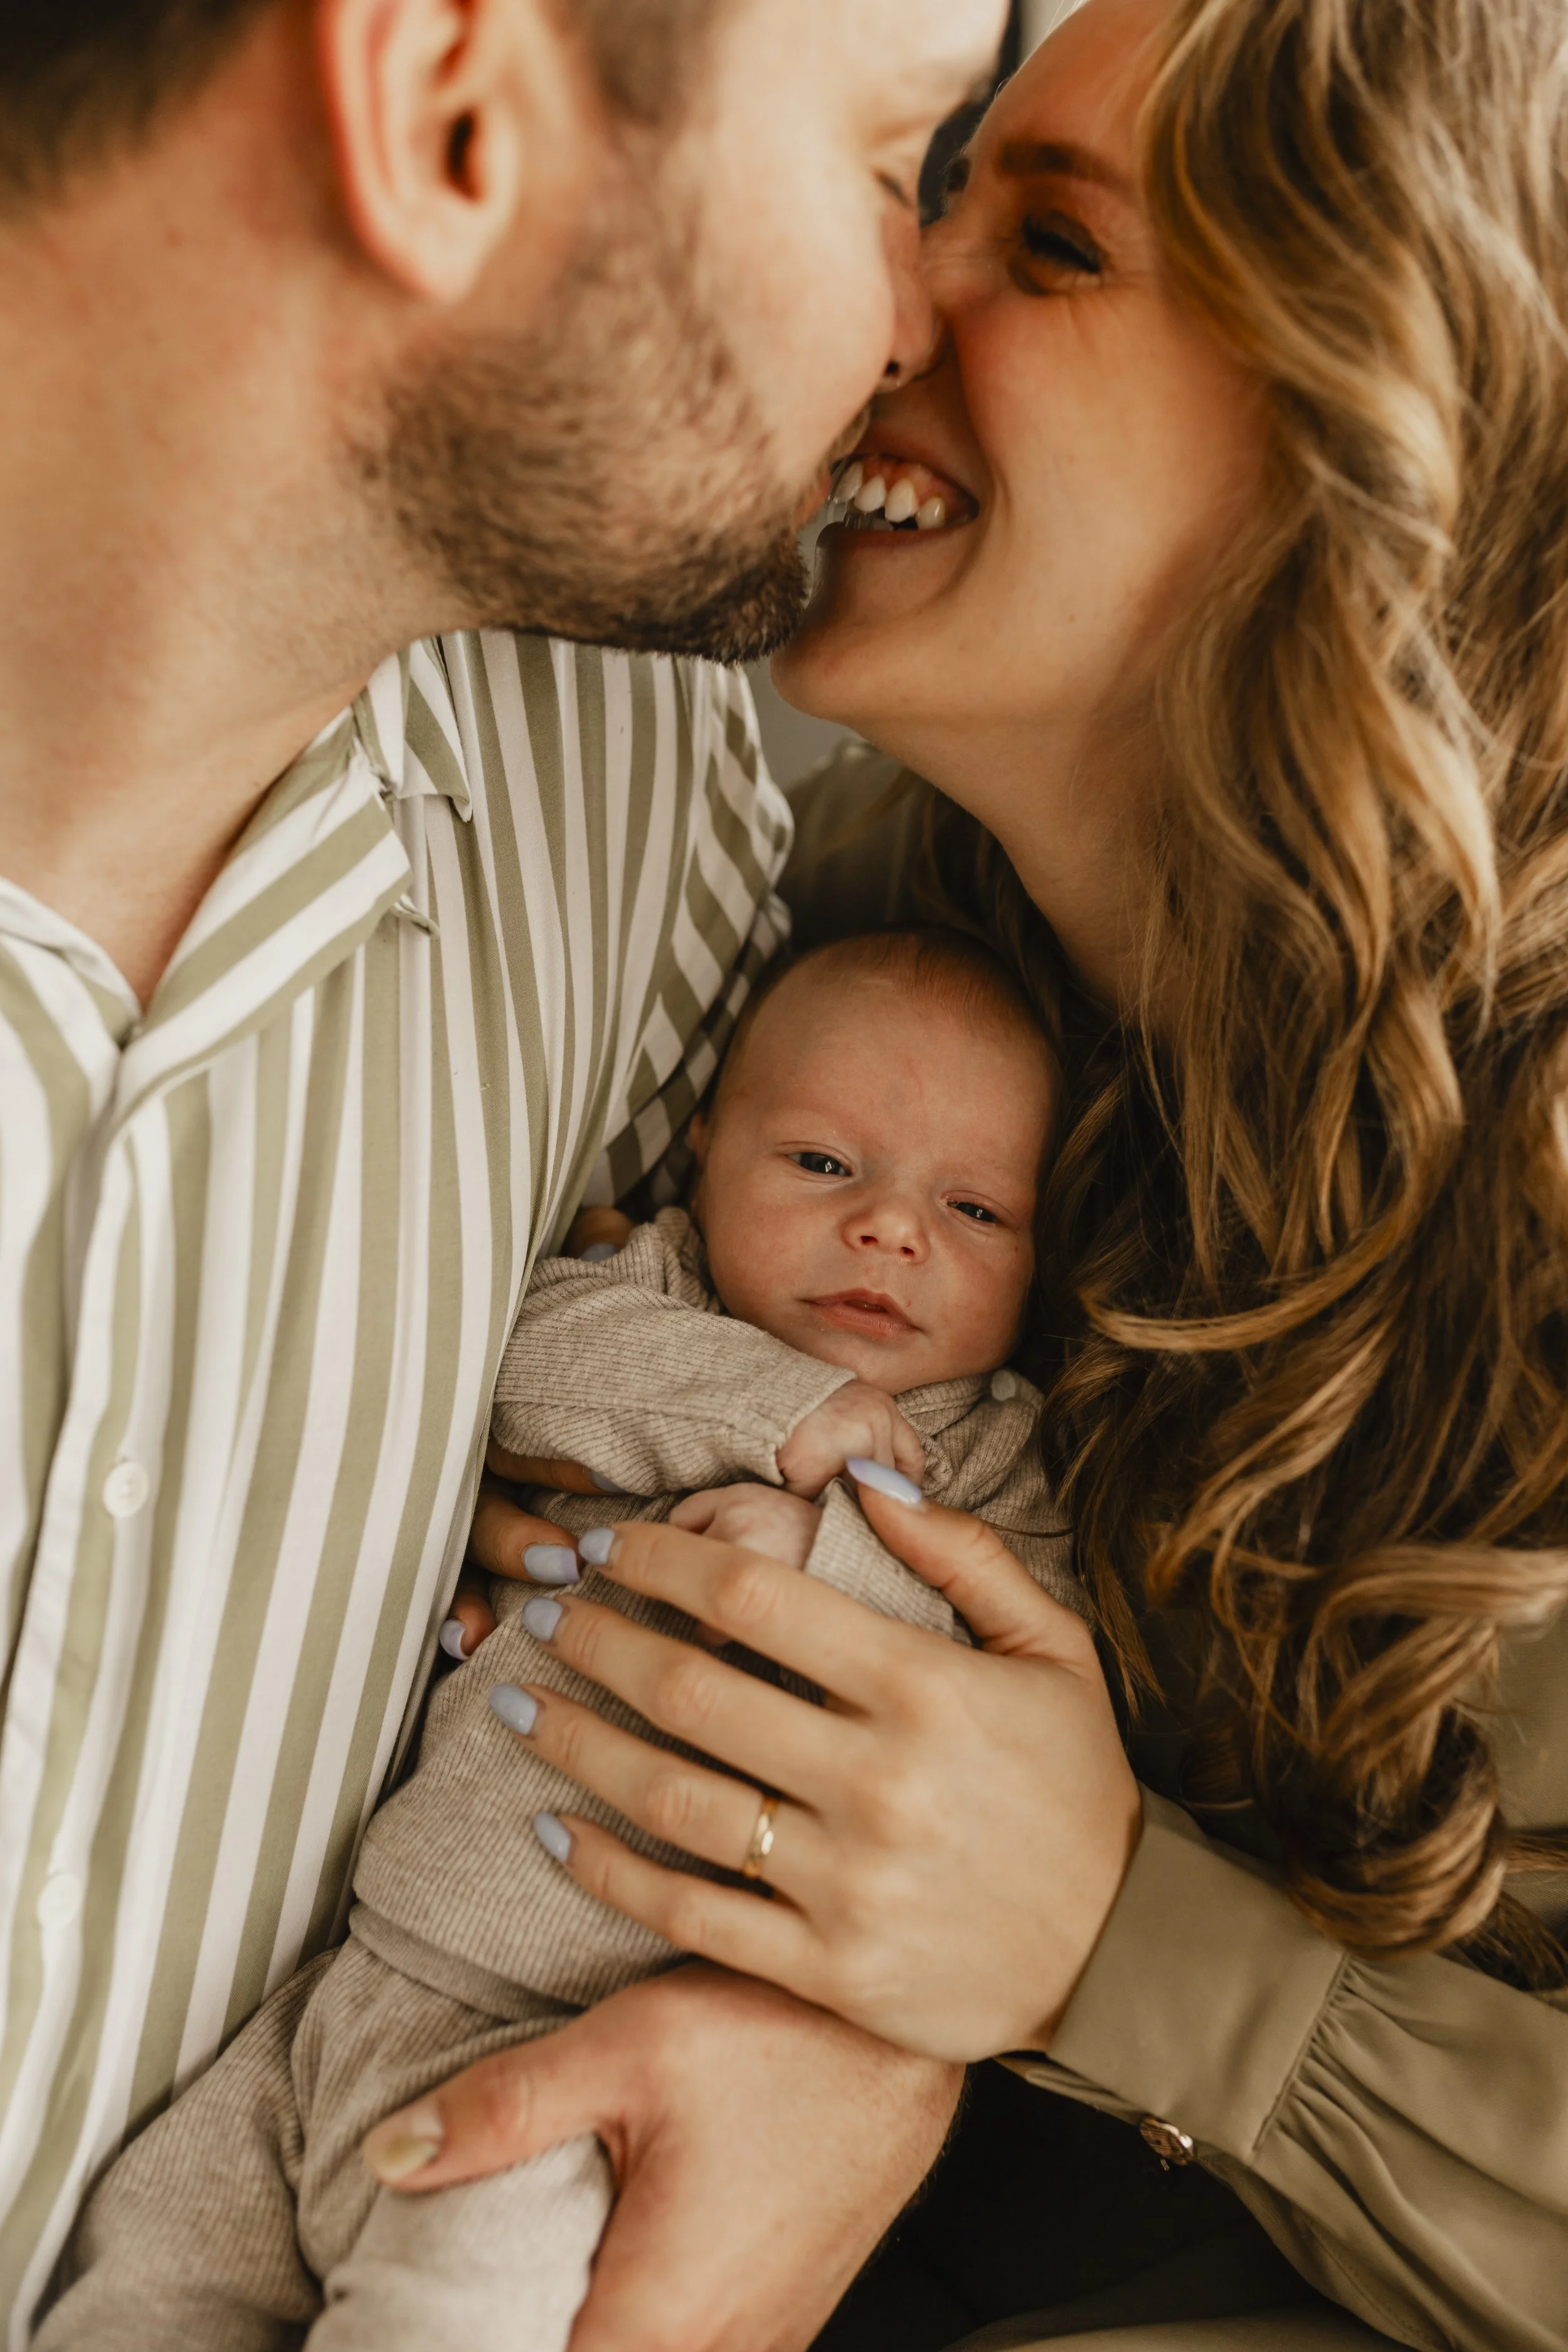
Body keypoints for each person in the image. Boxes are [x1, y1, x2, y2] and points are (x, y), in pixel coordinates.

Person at [396, 1, 1568, 2348]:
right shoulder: (827, 909)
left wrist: (1100, 1939)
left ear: (1383, 442)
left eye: (1045, 241)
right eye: (934, 184)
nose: (891, 295)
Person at [0, 0, 1013, 2333]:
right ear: (442, 106)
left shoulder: (639, 803)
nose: (923, 311)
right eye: (895, 157)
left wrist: (865, 2015)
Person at [40, 926, 1083, 2350]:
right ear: (706, 1150)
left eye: (973, 1210)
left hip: (583, 2057)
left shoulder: (986, 1462)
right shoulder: (644, 1296)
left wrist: (825, 1557)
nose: (891, 1228)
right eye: (823, 1165)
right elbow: (516, 1360)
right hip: (347, 1989)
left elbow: (1008, 1683)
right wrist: (769, 1411)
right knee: (147, 2274)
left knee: (452, 2317)